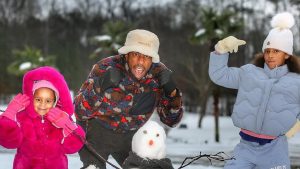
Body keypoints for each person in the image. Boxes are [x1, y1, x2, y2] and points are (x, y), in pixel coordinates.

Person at [74, 29, 183, 168]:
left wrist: (172, 94)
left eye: (147, 57)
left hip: (132, 135)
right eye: (136, 54)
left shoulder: (159, 74)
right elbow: (79, 111)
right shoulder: (105, 67)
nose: (141, 62)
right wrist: (99, 86)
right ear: (127, 55)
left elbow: (172, 121)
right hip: (97, 131)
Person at [209, 12, 300, 169]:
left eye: (276, 51)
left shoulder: (296, 82)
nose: (270, 55)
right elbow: (219, 75)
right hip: (245, 148)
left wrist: (294, 127)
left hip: (275, 150)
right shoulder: (249, 73)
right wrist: (220, 51)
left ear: (286, 55)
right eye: (267, 50)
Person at [0, 66, 86, 169]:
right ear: (32, 98)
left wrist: (68, 126)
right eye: (38, 99)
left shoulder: (61, 118)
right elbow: (10, 143)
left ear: (55, 101)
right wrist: (9, 116)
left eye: (48, 101)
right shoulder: (22, 117)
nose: (42, 105)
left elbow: (72, 148)